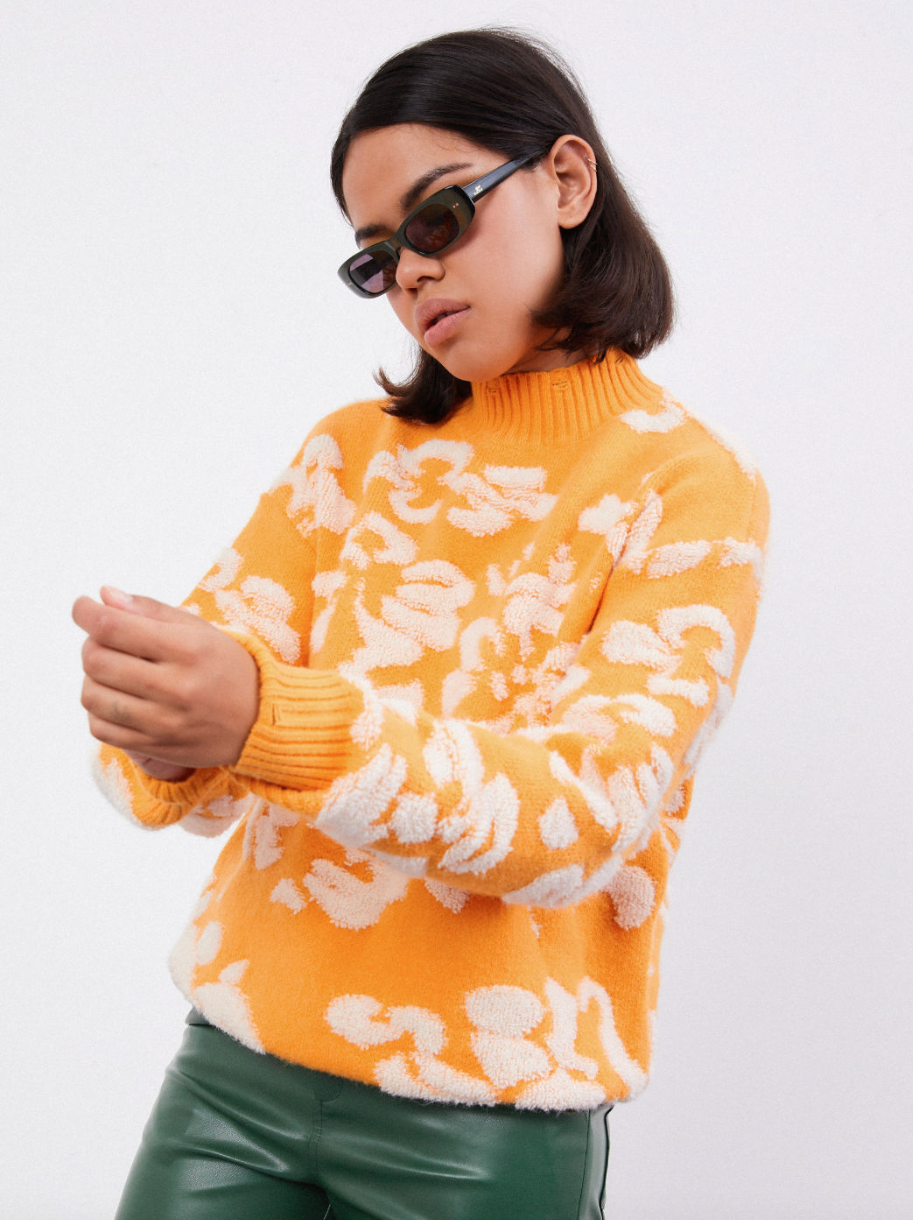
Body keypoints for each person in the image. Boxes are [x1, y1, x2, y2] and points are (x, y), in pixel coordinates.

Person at [73, 28, 769, 1220]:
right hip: (233, 1065)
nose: (411, 274)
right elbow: (178, 768)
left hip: (482, 1125)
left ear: (567, 180)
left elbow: (580, 818)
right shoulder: (350, 455)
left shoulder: (691, 487)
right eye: (377, 257)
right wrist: (158, 721)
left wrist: (259, 716)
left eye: (438, 218)